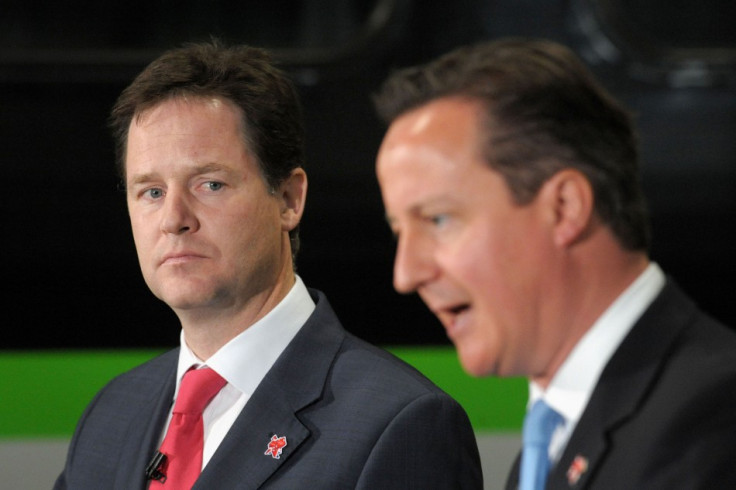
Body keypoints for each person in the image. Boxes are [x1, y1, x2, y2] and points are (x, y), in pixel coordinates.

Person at [55, 40, 482, 489]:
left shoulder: (400, 424)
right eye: (151, 192)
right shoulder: (111, 414)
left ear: (289, 199)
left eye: (210, 184)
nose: (174, 219)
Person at [374, 37, 736, 489]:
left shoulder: (713, 420)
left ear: (564, 208)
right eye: (398, 231)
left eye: (438, 219)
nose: (405, 274)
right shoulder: (546, 444)